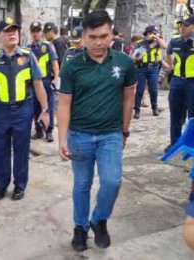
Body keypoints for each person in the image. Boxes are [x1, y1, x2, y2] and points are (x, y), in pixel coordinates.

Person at [57, 10, 136, 251]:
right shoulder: (72, 66)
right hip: (79, 135)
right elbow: (63, 104)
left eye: (104, 36)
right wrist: (62, 139)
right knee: (82, 183)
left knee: (112, 181)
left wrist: (124, 131)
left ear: (112, 34)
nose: (99, 42)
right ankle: (80, 227)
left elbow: (128, 98)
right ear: (83, 37)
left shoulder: (124, 63)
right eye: (92, 37)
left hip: (110, 134)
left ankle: (99, 220)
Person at [0, 17, 49, 201]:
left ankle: (19, 186)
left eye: (15, 31)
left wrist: (45, 110)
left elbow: (38, 84)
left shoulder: (28, 56)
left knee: (21, 149)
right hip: (1, 110)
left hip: (23, 110)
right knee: (1, 150)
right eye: (8, 31)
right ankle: (1, 186)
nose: (12, 34)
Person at [165, 14, 194, 151]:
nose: (182, 28)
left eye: (186, 25)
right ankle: (175, 143)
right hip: (177, 81)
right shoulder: (175, 41)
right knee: (175, 112)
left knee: (192, 116)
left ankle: (191, 144)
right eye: (181, 25)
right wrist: (170, 68)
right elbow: (168, 53)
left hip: (192, 82)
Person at [28, 22, 59, 142]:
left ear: (41, 33)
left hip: (46, 80)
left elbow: (55, 63)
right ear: (31, 33)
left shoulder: (48, 46)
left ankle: (49, 131)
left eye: (38, 31)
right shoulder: (28, 48)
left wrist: (56, 78)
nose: (36, 33)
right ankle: (38, 129)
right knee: (35, 105)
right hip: (33, 82)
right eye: (34, 31)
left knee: (48, 106)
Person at [132, 25, 167, 119]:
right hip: (141, 68)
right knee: (140, 89)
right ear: (148, 33)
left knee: (153, 89)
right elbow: (135, 57)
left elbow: (165, 46)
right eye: (153, 33)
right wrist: (142, 50)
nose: (155, 35)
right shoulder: (141, 43)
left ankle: (154, 108)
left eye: (156, 33)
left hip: (153, 68)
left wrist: (157, 38)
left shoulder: (157, 42)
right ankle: (137, 110)